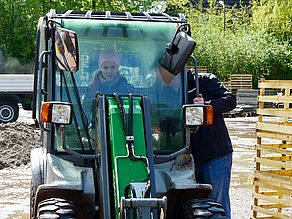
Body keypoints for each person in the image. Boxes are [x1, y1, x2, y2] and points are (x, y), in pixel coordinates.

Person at [188, 72, 236, 219]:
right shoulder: (167, 87)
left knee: (217, 206)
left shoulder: (205, 80)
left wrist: (206, 106)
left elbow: (230, 100)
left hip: (215, 155)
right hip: (188, 158)